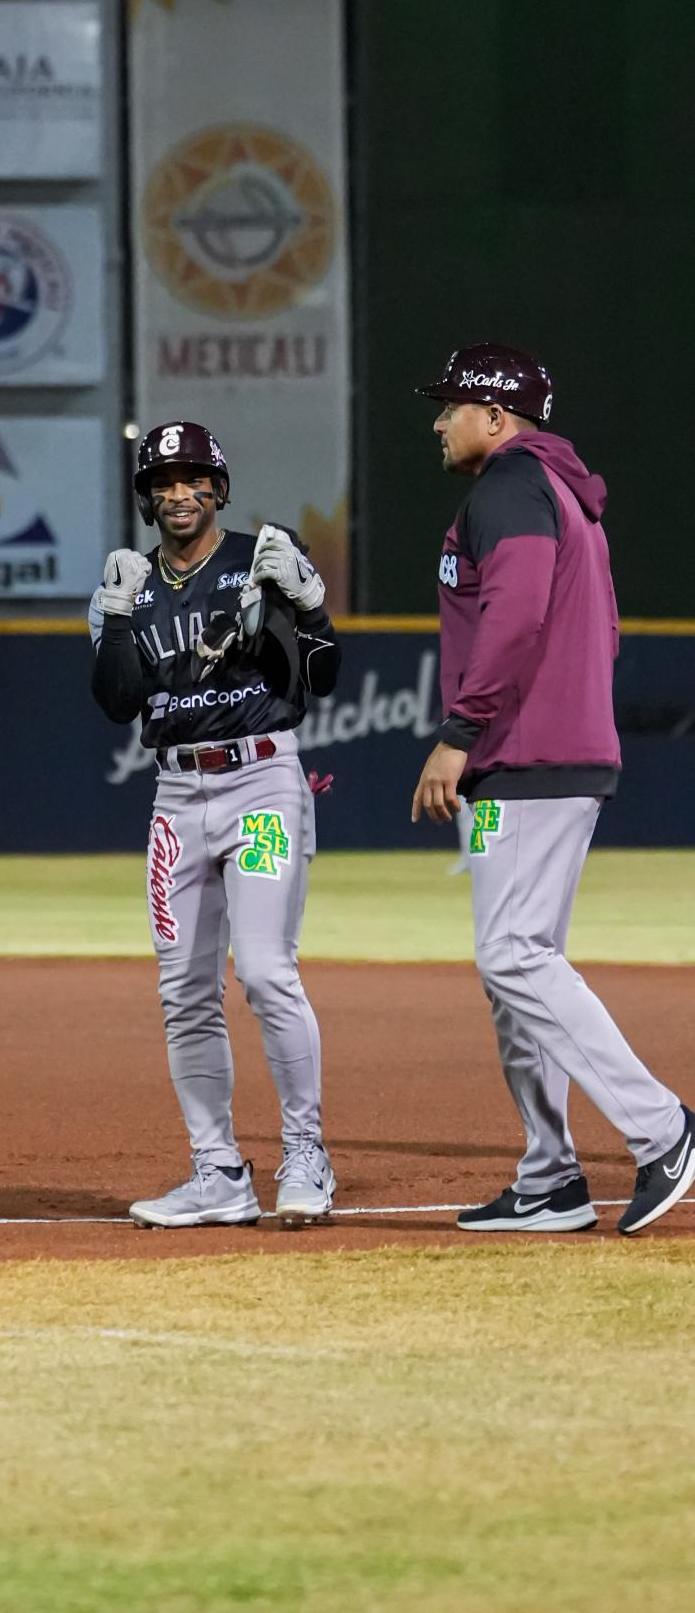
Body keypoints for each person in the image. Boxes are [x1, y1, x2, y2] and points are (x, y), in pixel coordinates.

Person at [411, 343, 693, 1236]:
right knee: (513, 971)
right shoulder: (556, 492)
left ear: (496, 418)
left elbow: (521, 610)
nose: (437, 421)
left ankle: (663, 1130)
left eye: (450, 406)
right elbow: (599, 630)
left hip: (526, 759)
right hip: (531, 756)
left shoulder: (510, 487)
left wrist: (461, 732)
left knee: (513, 956)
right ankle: (548, 1177)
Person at [89, 421, 342, 1229]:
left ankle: (306, 1152)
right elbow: (118, 702)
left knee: (266, 972)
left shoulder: (261, 555)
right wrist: (116, 618)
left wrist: (310, 606)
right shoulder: (128, 581)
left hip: (260, 782)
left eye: (193, 477)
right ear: (145, 498)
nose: (178, 493)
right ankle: (217, 1174)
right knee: (184, 993)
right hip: (176, 800)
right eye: (162, 482)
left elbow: (322, 677)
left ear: (218, 489)